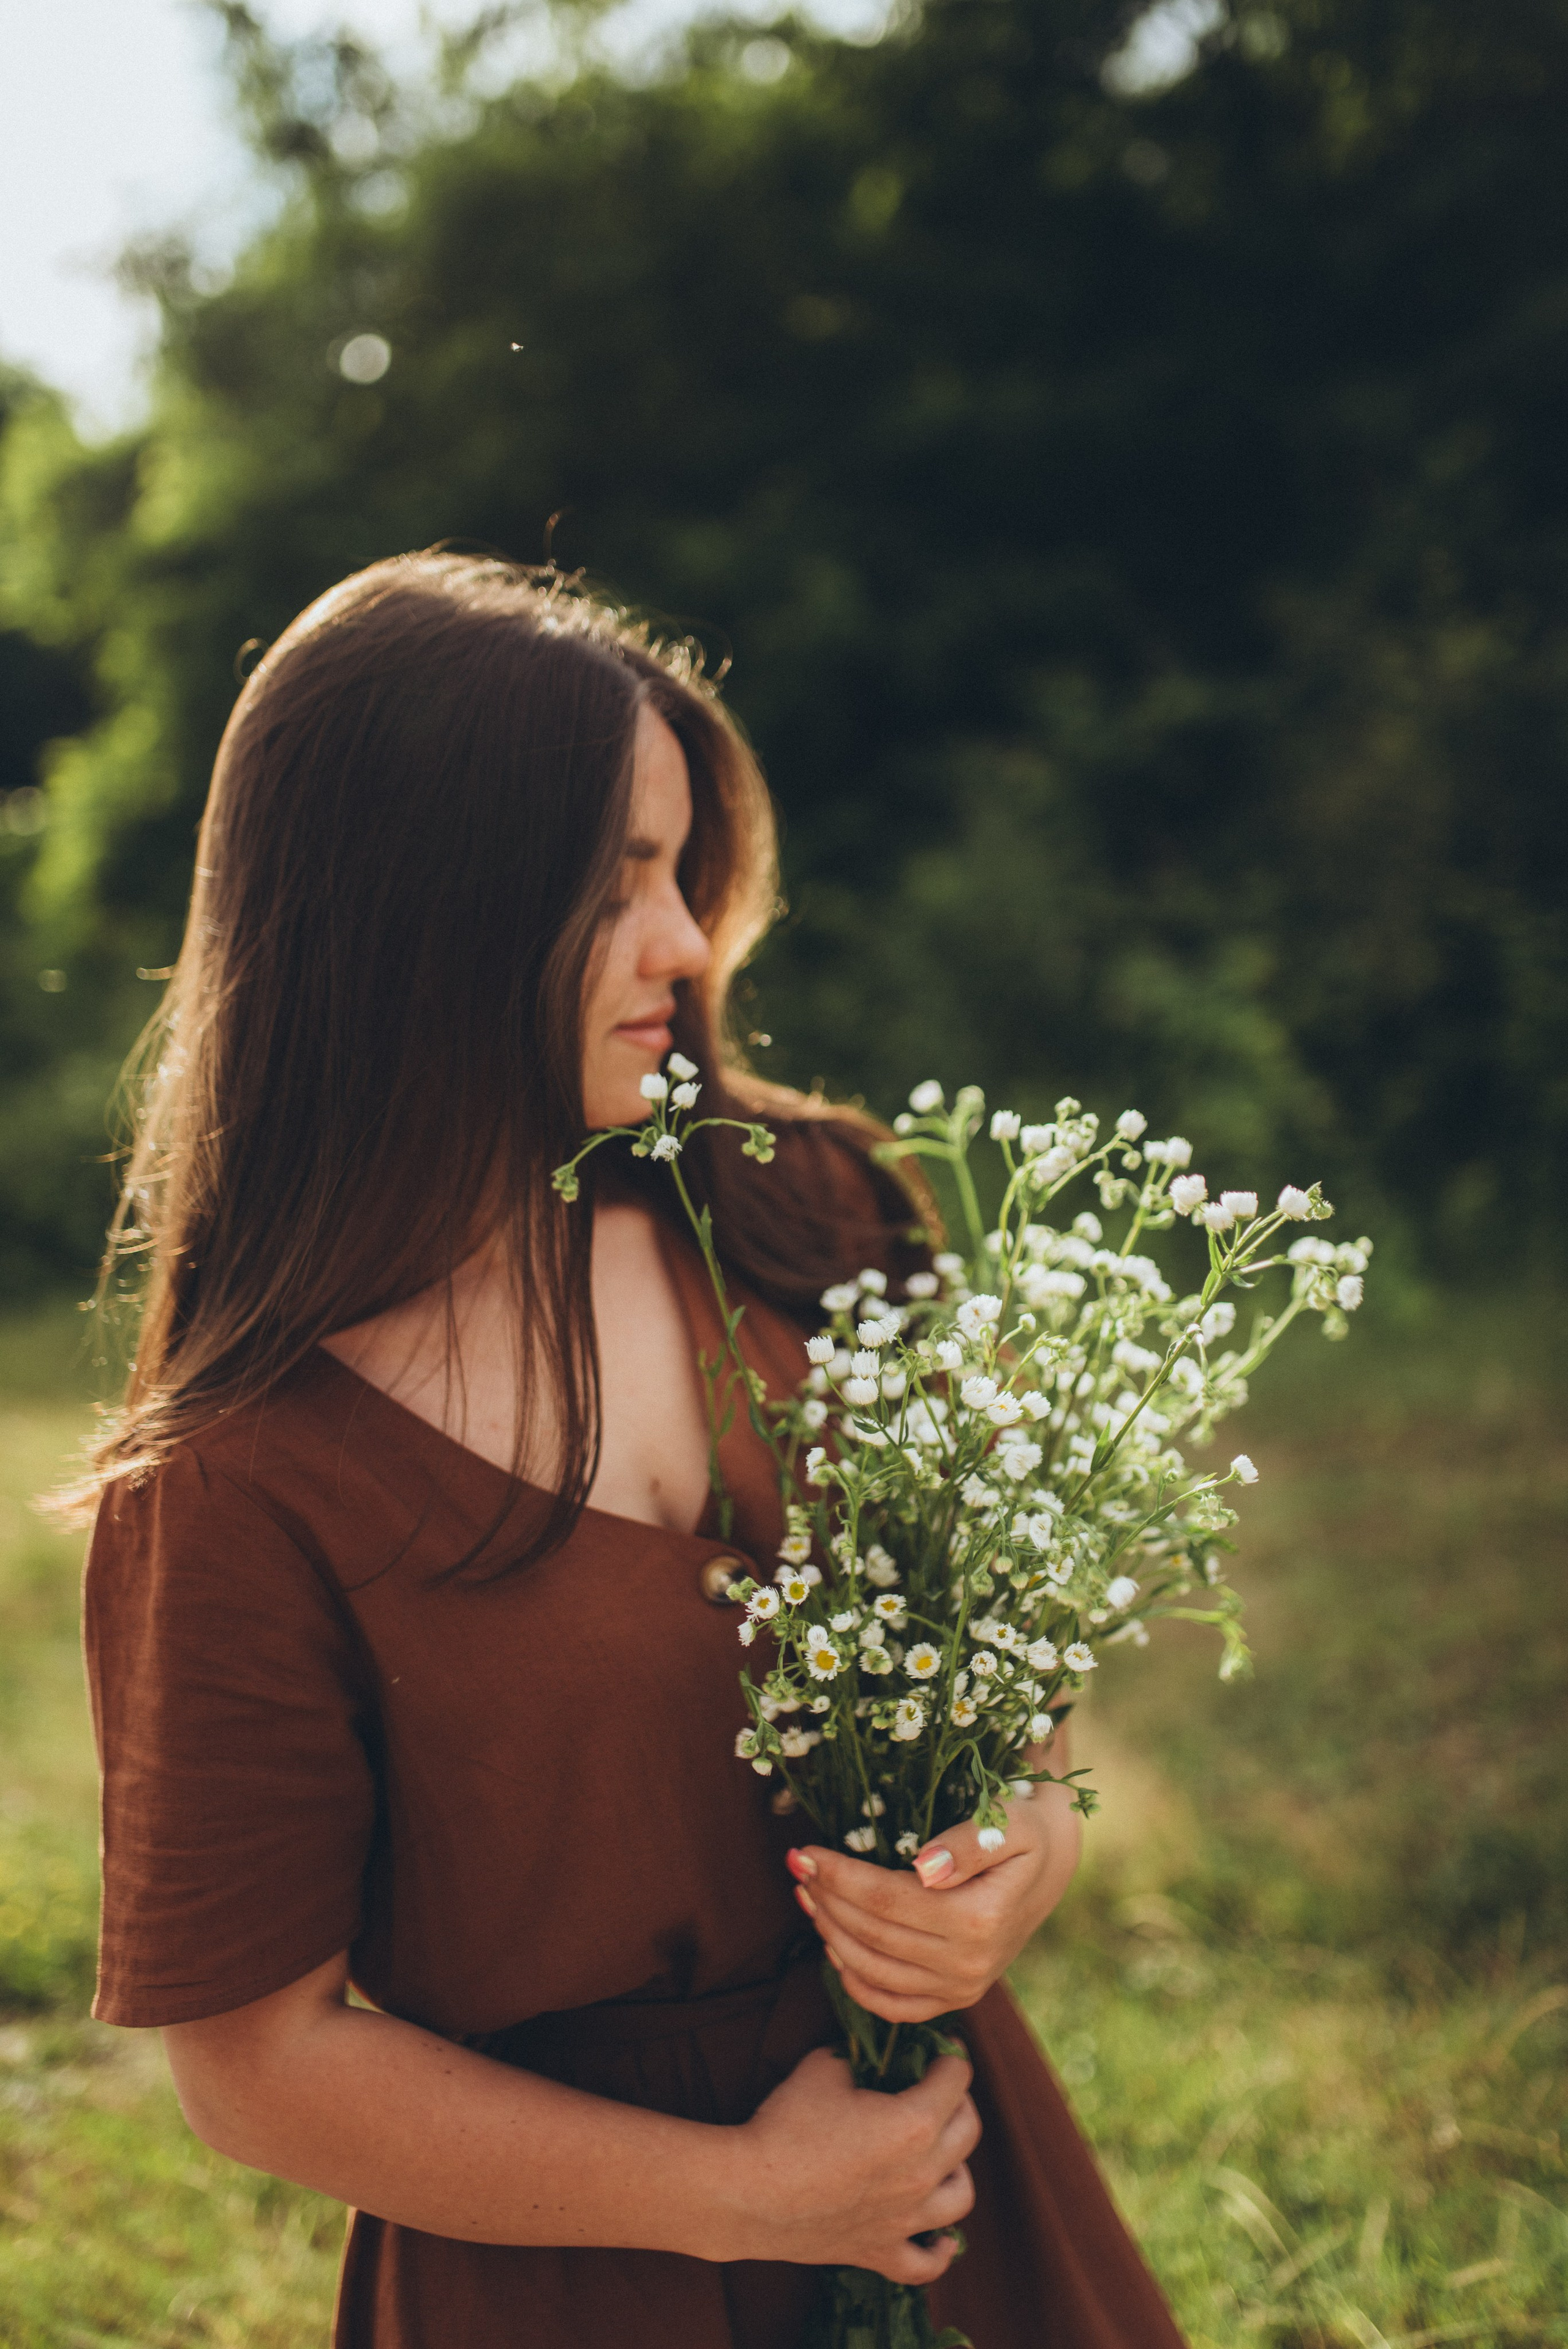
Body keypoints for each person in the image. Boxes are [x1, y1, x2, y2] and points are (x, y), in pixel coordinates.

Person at [80, 551, 1188, 2348]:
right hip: (571, 2280)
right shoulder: (239, 1475)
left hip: (950, 2189)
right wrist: (750, 2199)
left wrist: (1022, 1853)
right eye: (615, 889)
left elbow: (1018, 1688)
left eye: (681, 868)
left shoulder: (809, 1211)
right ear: (419, 924)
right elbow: (260, 2069)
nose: (687, 942)